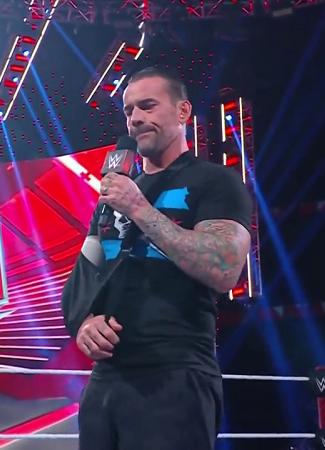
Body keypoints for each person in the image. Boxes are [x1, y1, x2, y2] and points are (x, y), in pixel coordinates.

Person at [61, 66, 253, 450]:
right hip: (106, 380)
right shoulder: (116, 195)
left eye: (147, 106)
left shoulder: (215, 182)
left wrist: (140, 209)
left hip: (174, 374)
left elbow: (224, 268)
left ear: (182, 112)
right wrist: (83, 323)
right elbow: (87, 271)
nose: (135, 118)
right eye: (129, 110)